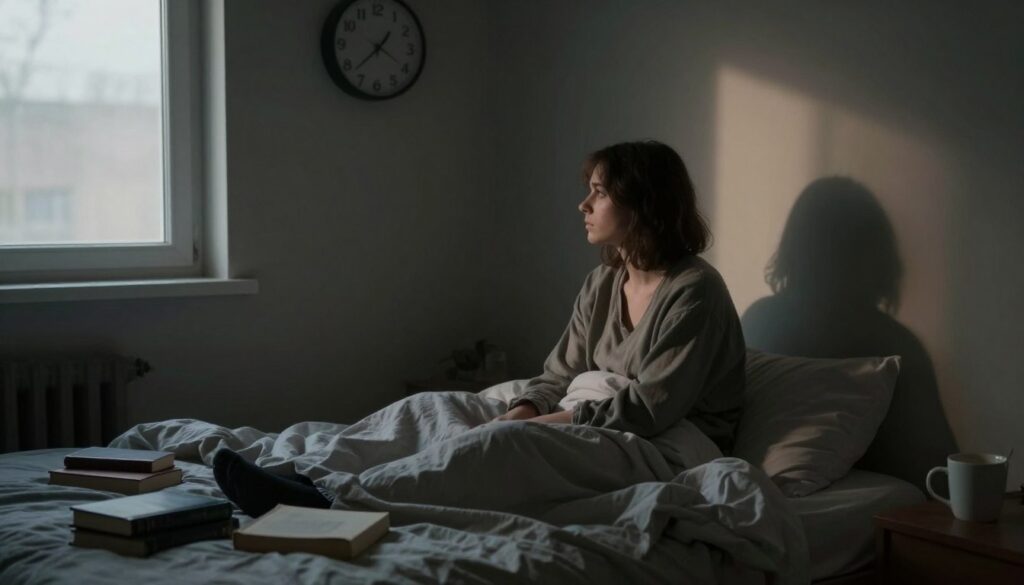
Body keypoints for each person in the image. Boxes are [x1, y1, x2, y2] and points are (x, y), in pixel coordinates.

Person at [212, 139, 746, 517]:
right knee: (434, 411)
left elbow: (651, 409)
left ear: (642, 203)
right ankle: (302, 475)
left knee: (504, 448)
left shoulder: (694, 291)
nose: (583, 204)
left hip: (662, 444)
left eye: (599, 192)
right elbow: (558, 373)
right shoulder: (602, 283)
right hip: (585, 415)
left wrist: (531, 429)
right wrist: (522, 409)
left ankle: (338, 502)